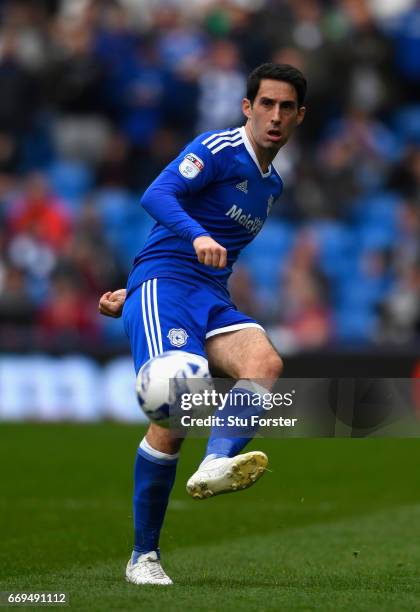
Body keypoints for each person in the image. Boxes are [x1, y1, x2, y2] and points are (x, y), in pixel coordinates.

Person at [99, 63, 306, 585]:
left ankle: (216, 461)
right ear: (247, 107)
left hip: (208, 295)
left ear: (299, 116)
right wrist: (156, 272)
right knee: (176, 406)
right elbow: (156, 196)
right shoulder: (218, 148)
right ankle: (142, 557)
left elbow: (220, 249)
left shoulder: (271, 185)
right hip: (166, 285)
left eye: (286, 108)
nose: (275, 116)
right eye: (266, 104)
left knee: (265, 362)